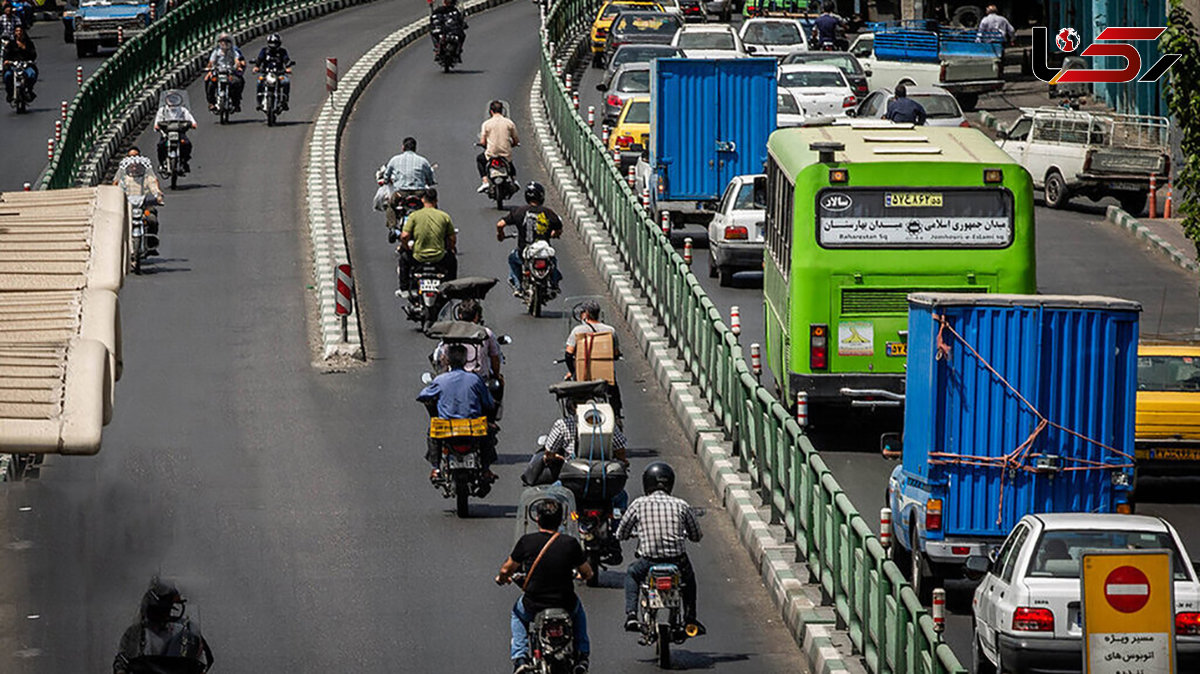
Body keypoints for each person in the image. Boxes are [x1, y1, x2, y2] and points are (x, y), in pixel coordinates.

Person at [495, 499, 592, 674]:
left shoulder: (527, 541)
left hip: (534, 604)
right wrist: (581, 575)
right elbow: (588, 573)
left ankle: (520, 658)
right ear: (561, 519)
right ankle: (582, 656)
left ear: (537, 519)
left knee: (517, 614)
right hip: (565, 603)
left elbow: (506, 569)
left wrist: (502, 578)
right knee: (579, 613)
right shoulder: (570, 543)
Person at [617, 462, 705, 636]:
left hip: (648, 561)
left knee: (632, 574)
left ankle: (632, 615)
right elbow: (696, 535)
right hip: (677, 561)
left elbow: (621, 532)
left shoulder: (638, 504)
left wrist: (628, 535)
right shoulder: (681, 505)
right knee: (689, 581)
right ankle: (690, 618)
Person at [417, 343, 497, 479]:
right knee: (489, 436)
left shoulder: (440, 380)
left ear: (447, 360)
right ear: (466, 360)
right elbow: (488, 403)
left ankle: (436, 469)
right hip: (473, 428)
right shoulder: (474, 380)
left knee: (432, 435)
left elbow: (423, 395)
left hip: (446, 429)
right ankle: (485, 470)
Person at [113, 578, 214, 674]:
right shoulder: (137, 632)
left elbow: (199, 662)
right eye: (164, 609)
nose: (166, 614)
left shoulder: (184, 630)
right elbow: (122, 662)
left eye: (168, 609)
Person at [496, 181, 563, 295]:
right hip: (544, 252)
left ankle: (518, 286)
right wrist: (554, 234)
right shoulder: (549, 213)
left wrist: (500, 235)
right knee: (553, 261)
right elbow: (559, 229)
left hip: (524, 252)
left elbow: (500, 224)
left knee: (512, 259)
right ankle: (554, 283)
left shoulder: (518, 211)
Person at [564, 301, 622, 417]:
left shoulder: (578, 331)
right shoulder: (610, 330)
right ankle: (617, 415)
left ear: (585, 314)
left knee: (570, 399)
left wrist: (573, 371)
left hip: (582, 377)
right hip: (605, 378)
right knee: (614, 393)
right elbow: (615, 353)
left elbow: (568, 355)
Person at [398, 187, 457, 293]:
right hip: (439, 257)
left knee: (404, 259)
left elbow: (404, 236)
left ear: (423, 200)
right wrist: (450, 248)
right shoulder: (444, 216)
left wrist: (406, 248)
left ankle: (404, 289)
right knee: (452, 261)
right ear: (436, 201)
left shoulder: (414, 216)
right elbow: (452, 239)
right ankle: (451, 289)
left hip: (418, 258)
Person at [432, 298, 502, 379]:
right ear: (476, 316)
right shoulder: (485, 333)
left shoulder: (449, 332)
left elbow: (440, 358)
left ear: (459, 315)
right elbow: (495, 358)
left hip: (453, 378)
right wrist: (497, 376)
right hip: (480, 378)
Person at [382, 137, 436, 228]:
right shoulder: (423, 161)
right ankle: (434, 226)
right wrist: (430, 182)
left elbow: (386, 176)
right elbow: (430, 178)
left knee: (390, 205)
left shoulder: (395, 160)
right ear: (415, 148)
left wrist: (386, 180)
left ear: (403, 148)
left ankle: (392, 227)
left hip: (401, 193)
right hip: (420, 193)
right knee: (432, 204)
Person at [477, 99, 520, 193]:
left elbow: (483, 141)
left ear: (491, 111)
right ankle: (514, 180)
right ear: (502, 111)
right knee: (510, 163)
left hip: (491, 154)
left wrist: (483, 144)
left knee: (480, 159)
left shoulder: (486, 124)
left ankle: (485, 181)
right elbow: (516, 140)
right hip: (506, 155)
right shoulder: (509, 123)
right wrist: (513, 144)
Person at [154, 91, 197, 174]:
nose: (172, 101)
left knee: (187, 144)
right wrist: (157, 126)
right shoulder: (162, 110)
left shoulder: (182, 110)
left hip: (179, 133)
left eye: (174, 98)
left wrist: (193, 124)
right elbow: (157, 122)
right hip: (166, 134)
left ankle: (184, 162)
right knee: (161, 145)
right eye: (170, 98)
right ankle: (162, 164)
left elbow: (191, 119)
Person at [204, 33, 246, 111]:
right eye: (222, 41)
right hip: (218, 71)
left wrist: (238, 66)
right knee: (209, 82)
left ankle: (236, 102)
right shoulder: (216, 51)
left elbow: (237, 60)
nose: (224, 43)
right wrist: (209, 67)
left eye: (227, 41)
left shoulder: (233, 51)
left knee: (238, 82)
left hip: (230, 72)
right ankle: (211, 102)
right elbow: (212, 61)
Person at [253, 33, 292, 111]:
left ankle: (284, 100)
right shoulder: (264, 51)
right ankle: (259, 101)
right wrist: (256, 67)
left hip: (279, 74)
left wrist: (288, 68)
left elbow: (286, 60)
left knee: (286, 82)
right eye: (271, 43)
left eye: (275, 43)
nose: (273, 45)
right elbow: (259, 59)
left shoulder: (282, 52)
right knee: (259, 82)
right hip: (266, 74)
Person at [2, 24, 36, 104]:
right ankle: (10, 93)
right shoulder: (11, 44)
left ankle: (29, 90)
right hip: (13, 66)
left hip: (25, 66)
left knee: (32, 74)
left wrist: (25, 49)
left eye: (20, 31)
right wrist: (6, 61)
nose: (19, 33)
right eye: (17, 31)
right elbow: (6, 54)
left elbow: (33, 55)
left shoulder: (28, 43)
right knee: (7, 75)